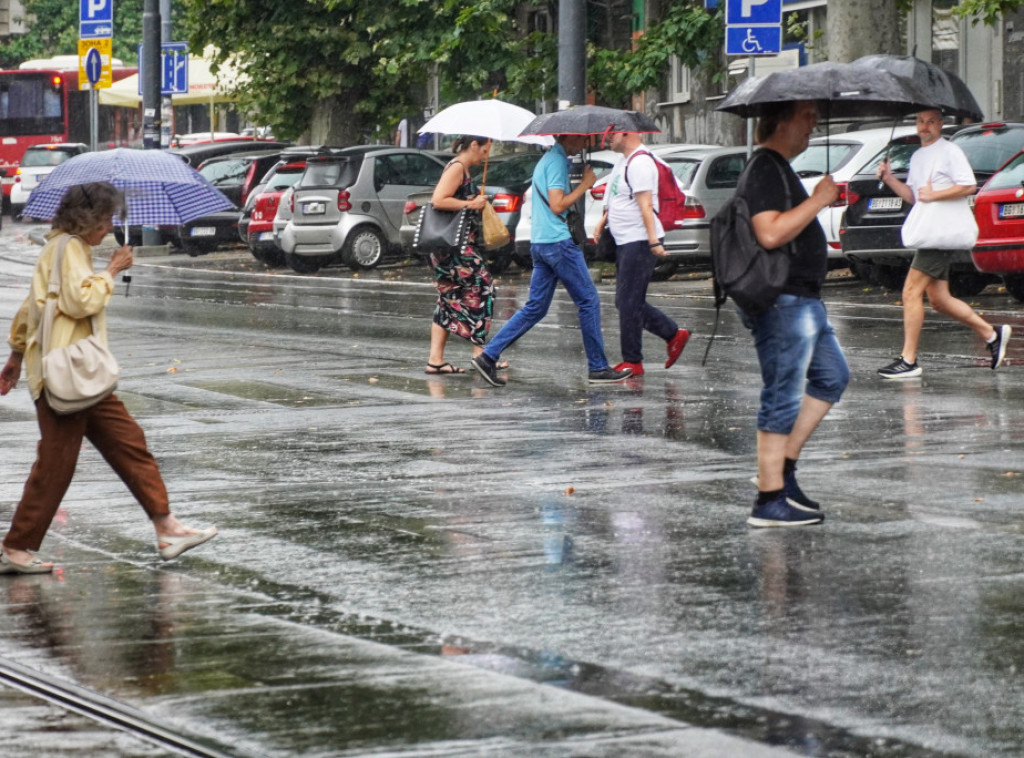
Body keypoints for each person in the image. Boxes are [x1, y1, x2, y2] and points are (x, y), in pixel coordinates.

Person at [0, 182, 217, 574]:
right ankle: (15, 548)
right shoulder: (68, 249)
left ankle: (167, 527)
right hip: (65, 374)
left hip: (78, 375)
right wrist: (112, 271)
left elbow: (30, 309)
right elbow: (79, 301)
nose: (108, 229)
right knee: (55, 465)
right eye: (104, 220)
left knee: (128, 443)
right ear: (85, 220)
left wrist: (16, 356)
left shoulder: (62, 248)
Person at [740, 100, 849, 528]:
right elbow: (769, 233)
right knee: (782, 392)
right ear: (782, 120)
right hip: (784, 300)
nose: (814, 124)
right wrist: (821, 199)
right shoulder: (764, 167)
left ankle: (781, 472)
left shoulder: (777, 167)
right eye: (807, 116)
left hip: (802, 299)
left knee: (832, 376)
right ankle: (768, 500)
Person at [470, 135, 631, 387]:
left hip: (541, 242)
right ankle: (598, 367)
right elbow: (557, 205)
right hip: (558, 243)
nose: (585, 141)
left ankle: (488, 356)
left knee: (535, 307)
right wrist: (585, 185)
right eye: (581, 138)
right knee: (588, 301)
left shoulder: (549, 160)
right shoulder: (555, 161)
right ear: (566, 137)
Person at [876, 108, 1010, 379]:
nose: (924, 127)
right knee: (939, 300)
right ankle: (991, 333)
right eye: (920, 121)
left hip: (940, 234)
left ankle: (909, 360)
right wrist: (889, 179)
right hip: (929, 231)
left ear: (940, 124)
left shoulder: (950, 151)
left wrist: (935, 194)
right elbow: (915, 197)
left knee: (910, 292)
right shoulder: (918, 156)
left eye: (930, 122)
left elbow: (968, 185)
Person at [594, 128, 690, 377]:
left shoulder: (640, 163)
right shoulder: (624, 162)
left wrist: (653, 241)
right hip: (626, 239)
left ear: (627, 133)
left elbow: (646, 204)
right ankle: (672, 334)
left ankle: (633, 361)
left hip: (639, 240)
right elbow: (616, 197)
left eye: (612, 133)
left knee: (628, 302)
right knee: (626, 301)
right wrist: (601, 222)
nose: (608, 137)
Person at [425, 135, 506, 375]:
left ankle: (435, 360)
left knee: (449, 296)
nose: (485, 156)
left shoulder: (463, 169)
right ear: (474, 146)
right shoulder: (458, 167)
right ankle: (481, 356)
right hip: (454, 248)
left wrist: (476, 202)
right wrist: (470, 205)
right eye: (485, 150)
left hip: (450, 247)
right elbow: (438, 200)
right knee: (484, 288)